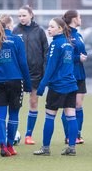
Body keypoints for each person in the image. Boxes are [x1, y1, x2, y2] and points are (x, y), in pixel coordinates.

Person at [0, 14, 32, 157]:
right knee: (13, 114)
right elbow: (23, 63)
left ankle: (2, 145)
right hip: (15, 80)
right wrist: (28, 84)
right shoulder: (17, 40)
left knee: (0, 115)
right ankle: (10, 146)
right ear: (9, 26)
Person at [33, 17, 78, 156]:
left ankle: (45, 148)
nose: (49, 29)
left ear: (60, 29)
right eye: (48, 26)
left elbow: (51, 67)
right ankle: (71, 148)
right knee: (71, 115)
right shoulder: (68, 44)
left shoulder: (55, 44)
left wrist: (41, 86)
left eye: (52, 26)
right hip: (71, 85)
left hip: (58, 86)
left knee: (50, 116)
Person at [12, 5, 48, 145]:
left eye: (24, 15)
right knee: (15, 104)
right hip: (19, 74)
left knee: (33, 102)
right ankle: (13, 133)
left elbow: (46, 52)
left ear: (31, 15)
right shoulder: (15, 31)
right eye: (19, 16)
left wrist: (44, 72)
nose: (21, 18)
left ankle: (28, 135)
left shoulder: (39, 31)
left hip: (35, 74)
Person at [61, 10, 87, 144]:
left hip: (80, 74)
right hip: (69, 74)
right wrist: (78, 58)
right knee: (69, 105)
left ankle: (78, 134)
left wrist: (83, 56)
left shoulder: (79, 35)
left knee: (78, 105)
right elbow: (65, 55)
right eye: (79, 17)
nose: (80, 19)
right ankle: (68, 135)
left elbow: (83, 51)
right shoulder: (66, 35)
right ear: (74, 19)